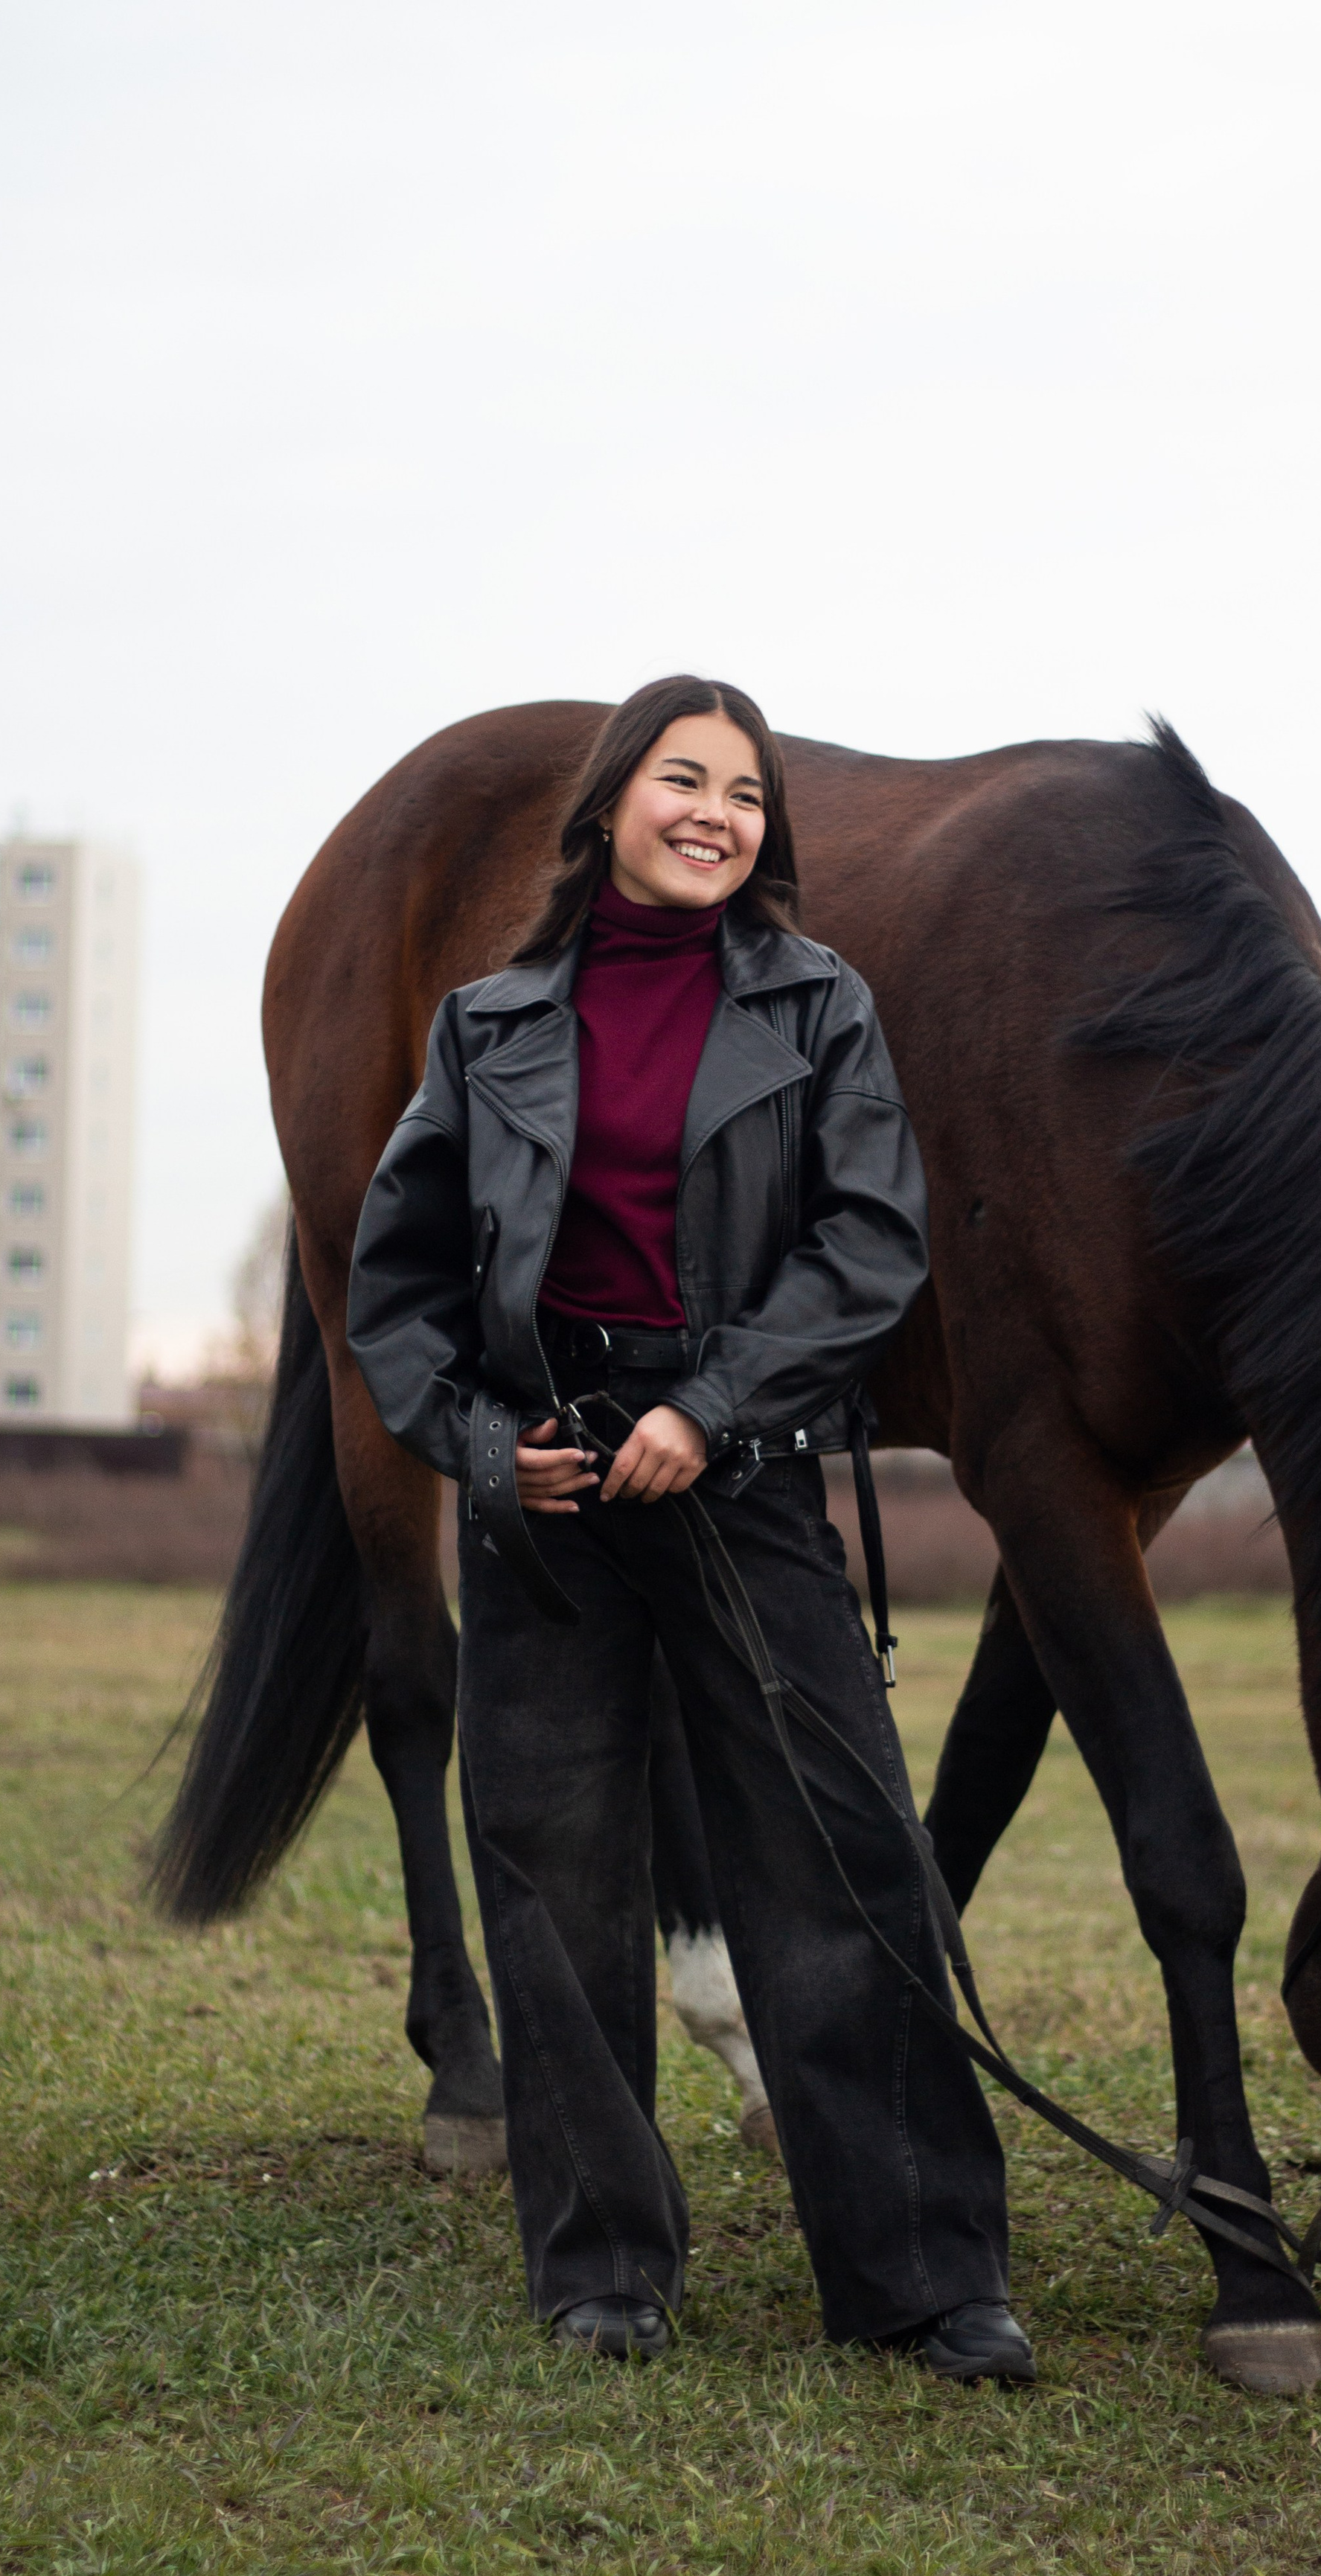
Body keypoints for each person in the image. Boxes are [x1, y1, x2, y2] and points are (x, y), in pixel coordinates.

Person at [346, 674, 1029, 2382]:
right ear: (606, 809)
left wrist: (707, 1408)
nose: (715, 811)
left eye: (744, 791)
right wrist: (491, 1453)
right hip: (548, 1492)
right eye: (682, 779)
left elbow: (871, 1240)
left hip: (737, 1468)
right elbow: (398, 1288)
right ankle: (602, 2269)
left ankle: (924, 2275)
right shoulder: (486, 1023)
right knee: (558, 1888)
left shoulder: (816, 1009)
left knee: (844, 1859)